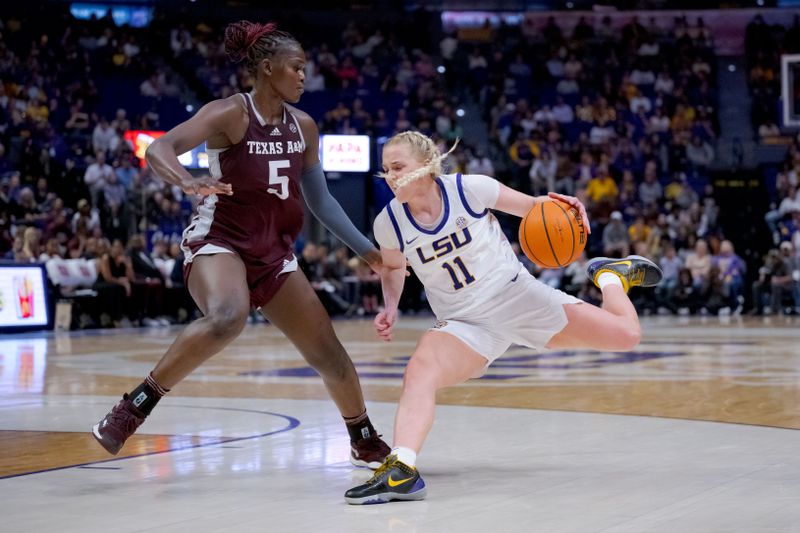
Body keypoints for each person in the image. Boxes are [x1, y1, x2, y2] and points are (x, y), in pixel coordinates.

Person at [92, 20, 390, 469]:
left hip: (274, 256)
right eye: (297, 67)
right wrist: (189, 181)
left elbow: (321, 200)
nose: (304, 76)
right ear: (267, 68)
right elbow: (159, 150)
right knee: (228, 317)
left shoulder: (304, 127)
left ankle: (362, 437)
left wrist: (368, 251)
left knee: (330, 354)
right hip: (220, 242)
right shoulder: (231, 112)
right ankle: (133, 406)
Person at [344, 131, 662, 504]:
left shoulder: (470, 190)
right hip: (464, 323)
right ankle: (402, 469)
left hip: (517, 298)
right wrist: (391, 306)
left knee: (627, 336)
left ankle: (610, 276)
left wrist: (566, 206)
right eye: (386, 170)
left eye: (399, 167)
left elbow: (537, 209)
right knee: (420, 369)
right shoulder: (389, 223)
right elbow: (394, 268)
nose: (391, 176)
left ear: (427, 165)